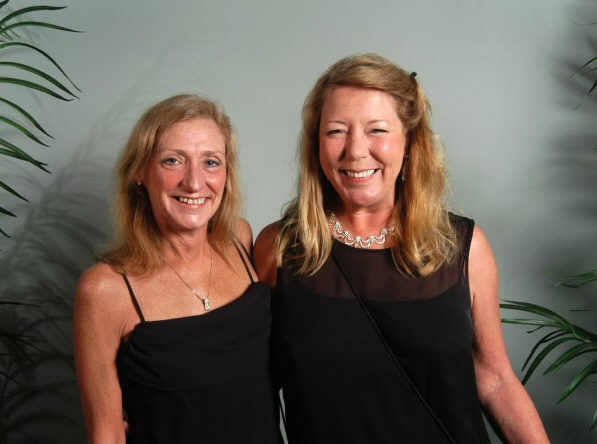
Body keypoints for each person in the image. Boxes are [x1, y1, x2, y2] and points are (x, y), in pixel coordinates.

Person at [253, 54, 549, 443]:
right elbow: (250, 388)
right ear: (316, 144)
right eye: (336, 131)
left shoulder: (463, 247)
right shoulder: (278, 249)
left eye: (377, 130)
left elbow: (494, 380)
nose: (356, 151)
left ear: (408, 141)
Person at [74, 94, 282, 444]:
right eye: (173, 160)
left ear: (227, 174)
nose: (194, 182)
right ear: (139, 172)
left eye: (211, 162)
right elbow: (106, 434)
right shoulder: (104, 290)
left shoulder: (240, 240)